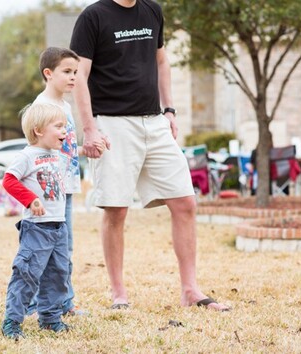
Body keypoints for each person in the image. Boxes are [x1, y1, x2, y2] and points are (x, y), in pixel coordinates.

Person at [70, 0, 229, 311]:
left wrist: (169, 110)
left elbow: (161, 62)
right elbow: (79, 75)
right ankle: (119, 294)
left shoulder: (153, 10)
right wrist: (89, 128)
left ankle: (190, 290)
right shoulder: (93, 16)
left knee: (185, 201)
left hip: (154, 121)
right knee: (116, 210)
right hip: (112, 123)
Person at [26, 47, 90, 318]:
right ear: (48, 74)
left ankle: (62, 302)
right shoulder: (42, 108)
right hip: (49, 191)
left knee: (63, 247)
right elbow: (39, 150)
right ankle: (36, 305)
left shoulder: (64, 106)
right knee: (45, 248)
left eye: (75, 72)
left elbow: (64, 149)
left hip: (66, 187)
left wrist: (88, 148)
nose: (73, 77)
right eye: (67, 71)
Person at [0, 103, 72, 339]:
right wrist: (30, 200)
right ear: (39, 130)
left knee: (58, 274)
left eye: (65, 126)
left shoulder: (56, 155)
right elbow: (9, 181)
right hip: (37, 228)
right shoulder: (27, 155)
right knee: (27, 273)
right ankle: (12, 321)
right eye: (59, 126)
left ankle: (50, 319)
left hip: (59, 226)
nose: (65, 130)